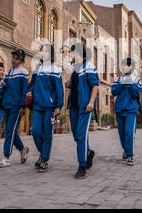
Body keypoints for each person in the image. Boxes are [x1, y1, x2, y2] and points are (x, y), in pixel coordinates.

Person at [26, 44, 64, 173]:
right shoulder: (38, 68)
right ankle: (43, 154)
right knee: (35, 131)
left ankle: (44, 160)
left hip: (50, 107)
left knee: (47, 134)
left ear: (51, 54)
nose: (43, 53)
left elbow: (59, 90)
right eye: (41, 51)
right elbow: (32, 84)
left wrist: (59, 106)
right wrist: (30, 91)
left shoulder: (55, 69)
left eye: (46, 51)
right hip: (37, 105)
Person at [66, 43, 99, 179]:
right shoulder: (74, 68)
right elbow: (73, 86)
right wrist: (68, 84)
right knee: (76, 135)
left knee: (81, 135)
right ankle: (88, 152)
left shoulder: (89, 67)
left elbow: (95, 86)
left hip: (85, 106)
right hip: (74, 105)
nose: (70, 55)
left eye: (72, 53)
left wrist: (91, 102)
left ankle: (82, 166)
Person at [0, 49, 30, 168]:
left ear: (21, 60)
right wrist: (4, 84)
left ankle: (6, 158)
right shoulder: (9, 72)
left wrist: (22, 106)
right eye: (13, 58)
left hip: (16, 106)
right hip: (7, 104)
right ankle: (23, 149)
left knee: (10, 131)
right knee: (11, 131)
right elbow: (6, 87)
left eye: (17, 58)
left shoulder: (24, 72)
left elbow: (24, 91)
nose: (14, 60)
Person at [111, 58, 142, 166]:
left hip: (131, 110)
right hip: (120, 109)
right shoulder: (118, 79)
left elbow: (136, 93)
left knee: (129, 132)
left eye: (126, 66)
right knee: (122, 134)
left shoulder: (137, 79)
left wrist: (130, 83)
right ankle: (126, 149)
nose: (124, 68)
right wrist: (123, 83)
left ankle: (130, 155)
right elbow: (114, 92)